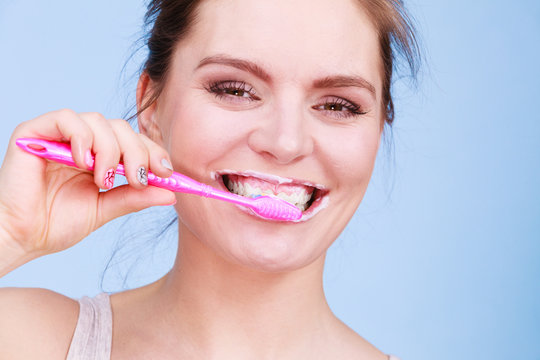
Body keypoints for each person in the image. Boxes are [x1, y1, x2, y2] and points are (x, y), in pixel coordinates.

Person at [0, 0, 419, 358]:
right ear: (151, 105)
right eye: (235, 90)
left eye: (339, 105)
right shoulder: (24, 341)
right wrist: (7, 233)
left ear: (378, 130)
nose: (286, 142)